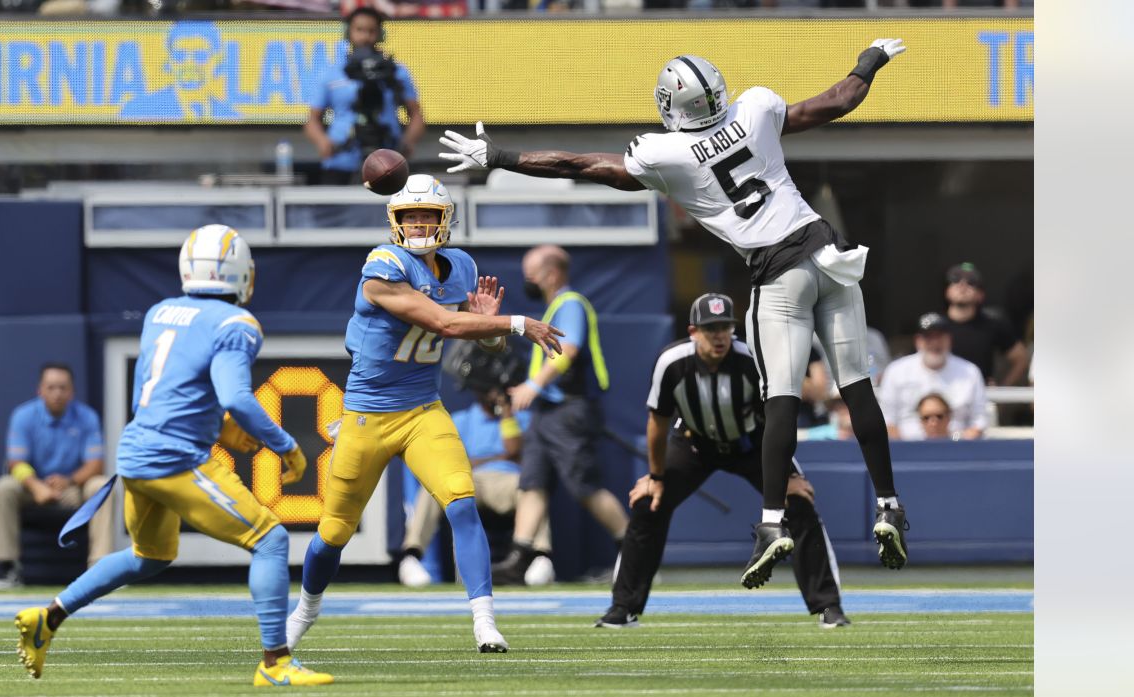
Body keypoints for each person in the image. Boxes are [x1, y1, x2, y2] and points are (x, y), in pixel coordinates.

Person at [440, 40, 912, 584]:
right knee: (857, 388)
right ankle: (889, 504)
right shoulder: (756, 108)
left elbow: (584, 165)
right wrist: (870, 60)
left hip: (778, 271)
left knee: (779, 400)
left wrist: (500, 157)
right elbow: (837, 100)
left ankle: (771, 521)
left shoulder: (668, 153)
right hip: (829, 254)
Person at [13, 224, 334, 687]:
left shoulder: (161, 312)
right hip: (174, 459)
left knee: (150, 555)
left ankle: (50, 616)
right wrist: (285, 444)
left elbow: (164, 391)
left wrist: (219, 429)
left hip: (137, 453)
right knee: (270, 540)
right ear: (241, 274)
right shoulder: (235, 324)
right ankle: (275, 663)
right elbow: (238, 398)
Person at [285, 174, 565, 654]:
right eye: (410, 216)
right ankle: (305, 609)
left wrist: (490, 327)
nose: (418, 224)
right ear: (394, 222)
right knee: (333, 533)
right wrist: (514, 322)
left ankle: (484, 621)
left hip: (421, 410)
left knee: (460, 500)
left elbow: (480, 339)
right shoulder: (381, 267)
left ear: (445, 220)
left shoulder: (459, 267)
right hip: (367, 417)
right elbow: (442, 322)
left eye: (428, 215)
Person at [599, 293, 849, 628]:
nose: (719, 336)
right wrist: (656, 477)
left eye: (725, 327)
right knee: (649, 503)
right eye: (710, 328)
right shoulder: (672, 363)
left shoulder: (752, 361)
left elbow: (778, 420)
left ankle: (828, 606)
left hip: (752, 445)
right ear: (693, 331)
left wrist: (787, 473)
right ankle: (623, 607)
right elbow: (657, 423)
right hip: (694, 444)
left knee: (799, 502)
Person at [490, 245, 631, 585]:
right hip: (547, 412)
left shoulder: (570, 304)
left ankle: (633, 548)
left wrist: (532, 387)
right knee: (532, 482)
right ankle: (519, 557)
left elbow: (568, 350)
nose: (528, 280)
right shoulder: (554, 307)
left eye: (531, 273)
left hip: (570, 408)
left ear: (551, 274)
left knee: (584, 486)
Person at [398, 350, 553, 587]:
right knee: (437, 488)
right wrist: (497, 457)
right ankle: (411, 557)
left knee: (532, 487)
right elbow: (457, 462)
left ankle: (541, 559)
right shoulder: (461, 420)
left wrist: (506, 412)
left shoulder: (523, 418)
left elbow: (518, 455)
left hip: (510, 482)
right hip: (473, 481)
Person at [0, 363, 113, 590]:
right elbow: (16, 462)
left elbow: (95, 464)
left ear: (71, 392)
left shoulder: (87, 417)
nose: (57, 393)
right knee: (5, 486)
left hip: (73, 488)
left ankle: (100, 569)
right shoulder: (23, 416)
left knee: (101, 484)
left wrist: (69, 481)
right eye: (51, 387)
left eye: (63, 387)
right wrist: (37, 487)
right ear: (40, 390)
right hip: (32, 489)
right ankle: (9, 569)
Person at [303, 7, 425, 185]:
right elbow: (312, 120)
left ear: (380, 34)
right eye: (359, 30)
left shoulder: (396, 72)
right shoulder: (332, 73)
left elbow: (416, 115)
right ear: (349, 32)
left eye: (371, 31)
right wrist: (323, 142)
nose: (365, 36)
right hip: (341, 160)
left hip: (387, 162)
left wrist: (406, 143)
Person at [878, 312, 987, 441]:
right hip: (907, 450)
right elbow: (887, 421)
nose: (935, 343)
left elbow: (979, 422)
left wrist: (958, 448)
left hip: (958, 450)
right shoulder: (896, 371)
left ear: (949, 339)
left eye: (940, 336)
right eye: (928, 337)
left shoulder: (970, 372)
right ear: (918, 341)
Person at [943, 262, 1030, 386]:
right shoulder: (936, 327)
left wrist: (1002, 391)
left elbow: (1021, 358)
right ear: (947, 291)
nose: (962, 285)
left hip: (978, 398)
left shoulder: (992, 325)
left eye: (971, 282)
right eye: (955, 280)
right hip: (941, 397)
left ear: (980, 295)